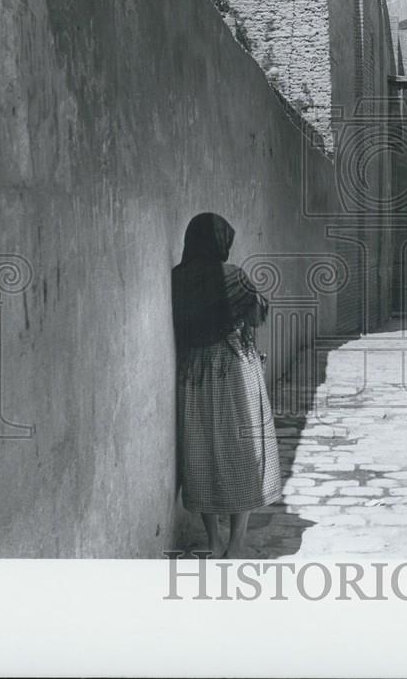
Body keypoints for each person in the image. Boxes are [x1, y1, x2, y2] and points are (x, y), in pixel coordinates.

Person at [172, 213, 281, 558]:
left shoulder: (177, 278)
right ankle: (236, 543)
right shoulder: (232, 276)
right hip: (234, 369)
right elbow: (258, 312)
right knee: (245, 453)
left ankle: (213, 540)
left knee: (202, 454)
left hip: (196, 375)